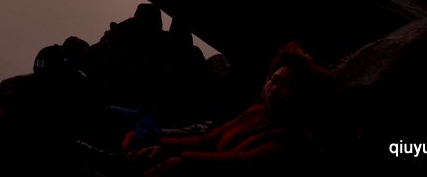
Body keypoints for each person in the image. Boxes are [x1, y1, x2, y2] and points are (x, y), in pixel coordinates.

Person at [127, 42, 335, 176]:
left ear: (302, 94)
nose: (275, 89)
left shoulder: (296, 141)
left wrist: (183, 162)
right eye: (274, 80)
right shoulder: (256, 113)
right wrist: (163, 145)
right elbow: (209, 140)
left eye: (287, 85)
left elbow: (240, 164)